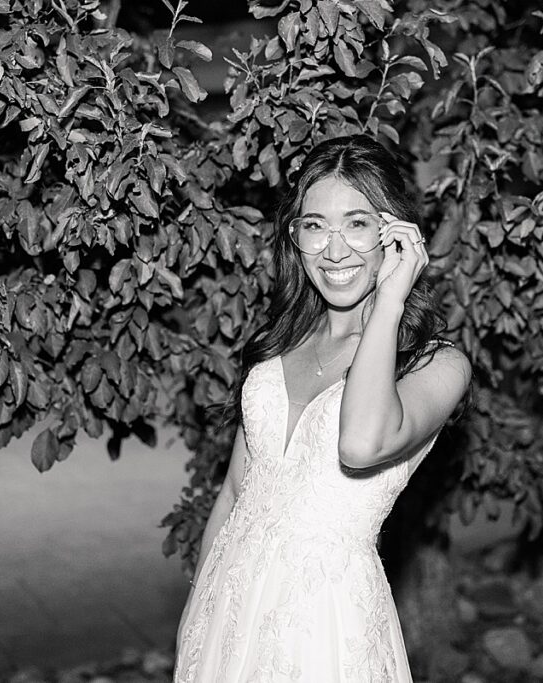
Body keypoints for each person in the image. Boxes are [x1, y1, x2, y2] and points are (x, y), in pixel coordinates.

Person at [173, 134, 471, 682]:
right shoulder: (279, 342)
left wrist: (390, 303)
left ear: (395, 234)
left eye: (357, 224)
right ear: (295, 236)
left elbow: (360, 445)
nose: (335, 250)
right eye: (315, 226)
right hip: (230, 609)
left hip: (324, 623)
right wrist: (197, 612)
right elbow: (239, 488)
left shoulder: (438, 365)